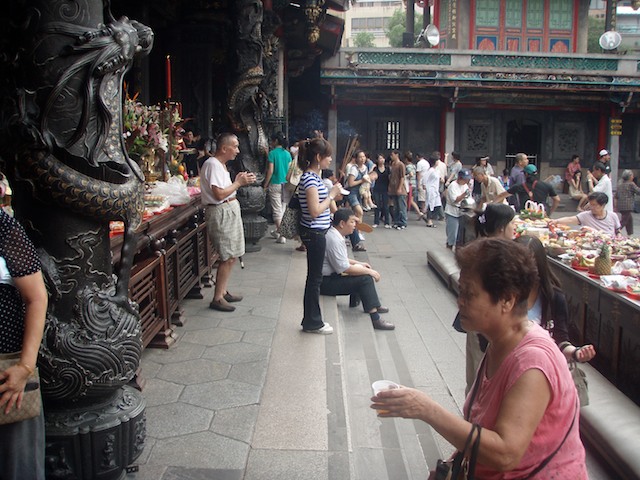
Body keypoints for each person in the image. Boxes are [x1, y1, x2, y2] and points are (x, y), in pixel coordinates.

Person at [371, 238, 588, 479]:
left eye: (469, 293)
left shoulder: (533, 362)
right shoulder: (500, 343)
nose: (460, 300)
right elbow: (482, 424)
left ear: (507, 299)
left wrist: (426, 409)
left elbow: (505, 454)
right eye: (461, 291)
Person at [0, 209, 48, 480]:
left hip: (7, 372)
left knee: (18, 466)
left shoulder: (3, 226)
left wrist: (25, 366)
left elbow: (37, 298)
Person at [515, 235, 597, 364]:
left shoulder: (554, 297)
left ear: (539, 265)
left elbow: (560, 339)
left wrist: (576, 352)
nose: (523, 272)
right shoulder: (503, 294)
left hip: (541, 367)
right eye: (517, 266)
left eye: (529, 265)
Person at [201, 133, 256, 312]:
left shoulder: (220, 165)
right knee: (227, 255)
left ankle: (223, 291)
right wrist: (238, 183)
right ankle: (217, 297)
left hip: (228, 209)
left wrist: (237, 182)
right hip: (221, 211)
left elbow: (225, 190)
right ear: (224, 148)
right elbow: (219, 194)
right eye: (235, 146)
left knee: (232, 254)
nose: (238, 151)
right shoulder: (212, 164)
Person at [320, 209, 395, 330]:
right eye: (352, 222)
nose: (355, 225)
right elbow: (344, 268)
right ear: (342, 224)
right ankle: (375, 319)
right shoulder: (334, 239)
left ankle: (372, 304)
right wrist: (370, 272)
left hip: (329, 278)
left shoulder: (335, 235)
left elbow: (343, 259)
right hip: (325, 283)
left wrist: (359, 263)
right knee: (365, 279)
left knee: (362, 270)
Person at [298, 137, 344, 334]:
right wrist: (332, 195)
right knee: (315, 279)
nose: (330, 160)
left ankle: (311, 319)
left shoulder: (314, 178)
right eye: (328, 156)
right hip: (314, 232)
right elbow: (315, 210)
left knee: (314, 278)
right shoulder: (309, 178)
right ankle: (312, 322)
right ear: (318, 157)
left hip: (317, 232)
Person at [495, 164, 560, 215]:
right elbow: (557, 200)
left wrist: (491, 204)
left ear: (525, 174)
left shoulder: (518, 187)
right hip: (542, 214)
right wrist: (550, 212)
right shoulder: (546, 185)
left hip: (525, 216)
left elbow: (501, 196)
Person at [264, 132, 292, 244]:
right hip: (286, 184)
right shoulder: (287, 154)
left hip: (275, 183)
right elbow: (290, 170)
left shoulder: (272, 153)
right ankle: (278, 231)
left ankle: (282, 235)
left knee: (276, 210)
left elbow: (270, 171)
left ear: (275, 141)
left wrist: (265, 184)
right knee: (283, 209)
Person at [553, 191, 620, 237]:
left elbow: (618, 232)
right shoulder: (585, 215)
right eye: (590, 204)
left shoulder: (613, 216)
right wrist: (555, 221)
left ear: (603, 205)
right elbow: (570, 219)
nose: (591, 207)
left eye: (594, 205)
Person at [444, 169, 472, 249]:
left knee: (461, 234)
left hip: (462, 211)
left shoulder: (465, 185)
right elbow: (455, 200)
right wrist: (464, 194)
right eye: (464, 179)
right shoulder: (453, 185)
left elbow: (468, 197)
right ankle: (449, 245)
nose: (466, 181)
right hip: (452, 211)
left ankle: (458, 247)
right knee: (452, 233)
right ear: (460, 178)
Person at [420, 153, 443, 227]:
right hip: (431, 190)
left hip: (435, 190)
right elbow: (424, 178)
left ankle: (425, 215)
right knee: (431, 204)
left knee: (438, 205)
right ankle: (429, 221)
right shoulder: (431, 170)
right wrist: (424, 185)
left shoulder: (436, 170)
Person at [615, 169, 640, 235]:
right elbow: (638, 191)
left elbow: (616, 196)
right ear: (629, 176)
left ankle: (630, 234)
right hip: (628, 205)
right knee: (624, 221)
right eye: (632, 175)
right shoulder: (631, 184)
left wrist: (615, 206)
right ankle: (616, 231)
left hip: (621, 205)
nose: (633, 177)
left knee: (629, 220)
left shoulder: (620, 184)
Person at [389, 150, 408, 230]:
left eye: (392, 155)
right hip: (393, 187)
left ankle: (403, 222)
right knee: (395, 206)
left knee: (401, 206)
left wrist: (400, 187)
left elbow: (402, 177)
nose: (391, 156)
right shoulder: (393, 164)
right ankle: (396, 221)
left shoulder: (401, 165)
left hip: (400, 189)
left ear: (397, 155)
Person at [372, 153, 391, 228]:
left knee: (385, 206)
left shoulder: (387, 168)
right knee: (377, 205)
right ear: (377, 160)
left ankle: (387, 222)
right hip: (377, 188)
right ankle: (376, 222)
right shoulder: (375, 169)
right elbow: (371, 176)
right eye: (380, 158)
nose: (381, 160)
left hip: (385, 188)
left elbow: (390, 178)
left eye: (382, 158)